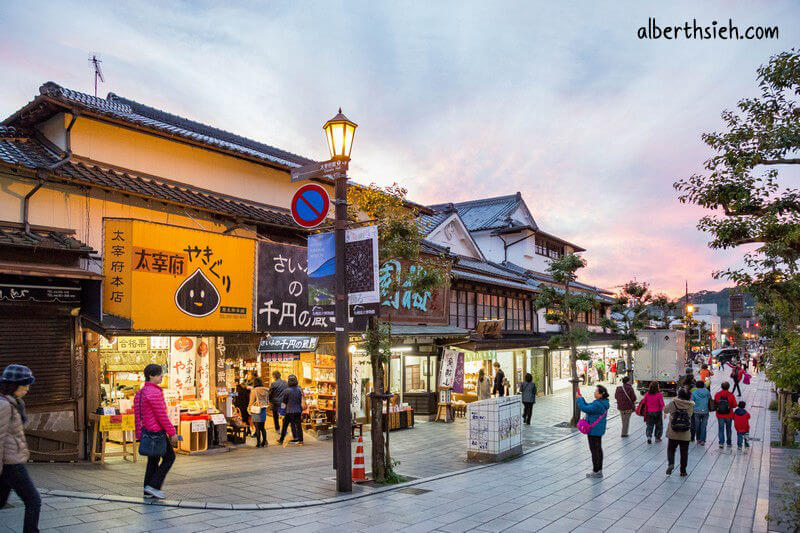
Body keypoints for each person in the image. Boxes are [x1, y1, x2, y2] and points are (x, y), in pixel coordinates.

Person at [0, 365, 40, 532]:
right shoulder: (4, 405)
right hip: (11, 464)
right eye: (25, 385)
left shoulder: (14, 403)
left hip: (10, 462)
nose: (27, 389)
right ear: (14, 384)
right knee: (33, 500)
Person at [134, 364, 178, 500]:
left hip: (147, 432)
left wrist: (139, 435)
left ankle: (148, 492)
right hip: (157, 432)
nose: (161, 377)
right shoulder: (154, 392)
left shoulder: (140, 393)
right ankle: (153, 486)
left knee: (153, 461)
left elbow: (137, 416)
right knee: (170, 457)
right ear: (151, 376)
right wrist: (172, 432)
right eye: (159, 374)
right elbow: (161, 415)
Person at [577, 385, 610, 478]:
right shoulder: (602, 402)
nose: (594, 393)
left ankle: (596, 471)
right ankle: (599, 470)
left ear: (600, 394)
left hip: (594, 430)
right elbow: (588, 406)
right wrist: (581, 398)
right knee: (598, 449)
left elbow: (585, 408)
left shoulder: (598, 404)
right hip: (598, 430)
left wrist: (579, 400)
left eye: (596, 391)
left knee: (594, 451)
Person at [664, 387, 694, 476]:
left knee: (671, 449)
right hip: (685, 432)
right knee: (684, 452)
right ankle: (683, 471)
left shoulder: (673, 403)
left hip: (673, 431)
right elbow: (690, 415)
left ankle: (671, 463)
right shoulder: (691, 405)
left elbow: (665, 410)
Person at [279, 375, 305, 446]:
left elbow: (284, 402)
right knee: (299, 426)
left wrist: (281, 412)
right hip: (298, 410)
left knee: (285, 426)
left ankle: (281, 440)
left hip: (289, 411)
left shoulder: (286, 391)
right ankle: (301, 441)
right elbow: (301, 400)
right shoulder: (299, 390)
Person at [714, 381, 737, 449]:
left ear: (721, 387)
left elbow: (715, 403)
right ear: (728, 387)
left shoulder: (717, 394)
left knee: (721, 428)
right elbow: (735, 405)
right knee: (728, 429)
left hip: (720, 414)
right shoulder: (731, 395)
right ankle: (729, 443)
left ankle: (721, 443)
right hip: (729, 414)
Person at [248, 377, 269, 447]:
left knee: (257, 427)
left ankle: (258, 442)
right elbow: (268, 400)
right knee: (262, 427)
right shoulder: (266, 390)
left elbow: (251, 401)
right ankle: (264, 441)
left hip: (256, 410)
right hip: (263, 409)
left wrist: (249, 408)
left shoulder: (254, 391)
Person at [690, 381, 711, 445]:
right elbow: (710, 398)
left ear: (696, 386)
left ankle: (698, 439)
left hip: (696, 411)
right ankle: (703, 440)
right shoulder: (707, 391)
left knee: (697, 425)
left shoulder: (693, 392)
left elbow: (691, 402)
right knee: (704, 426)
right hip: (705, 410)